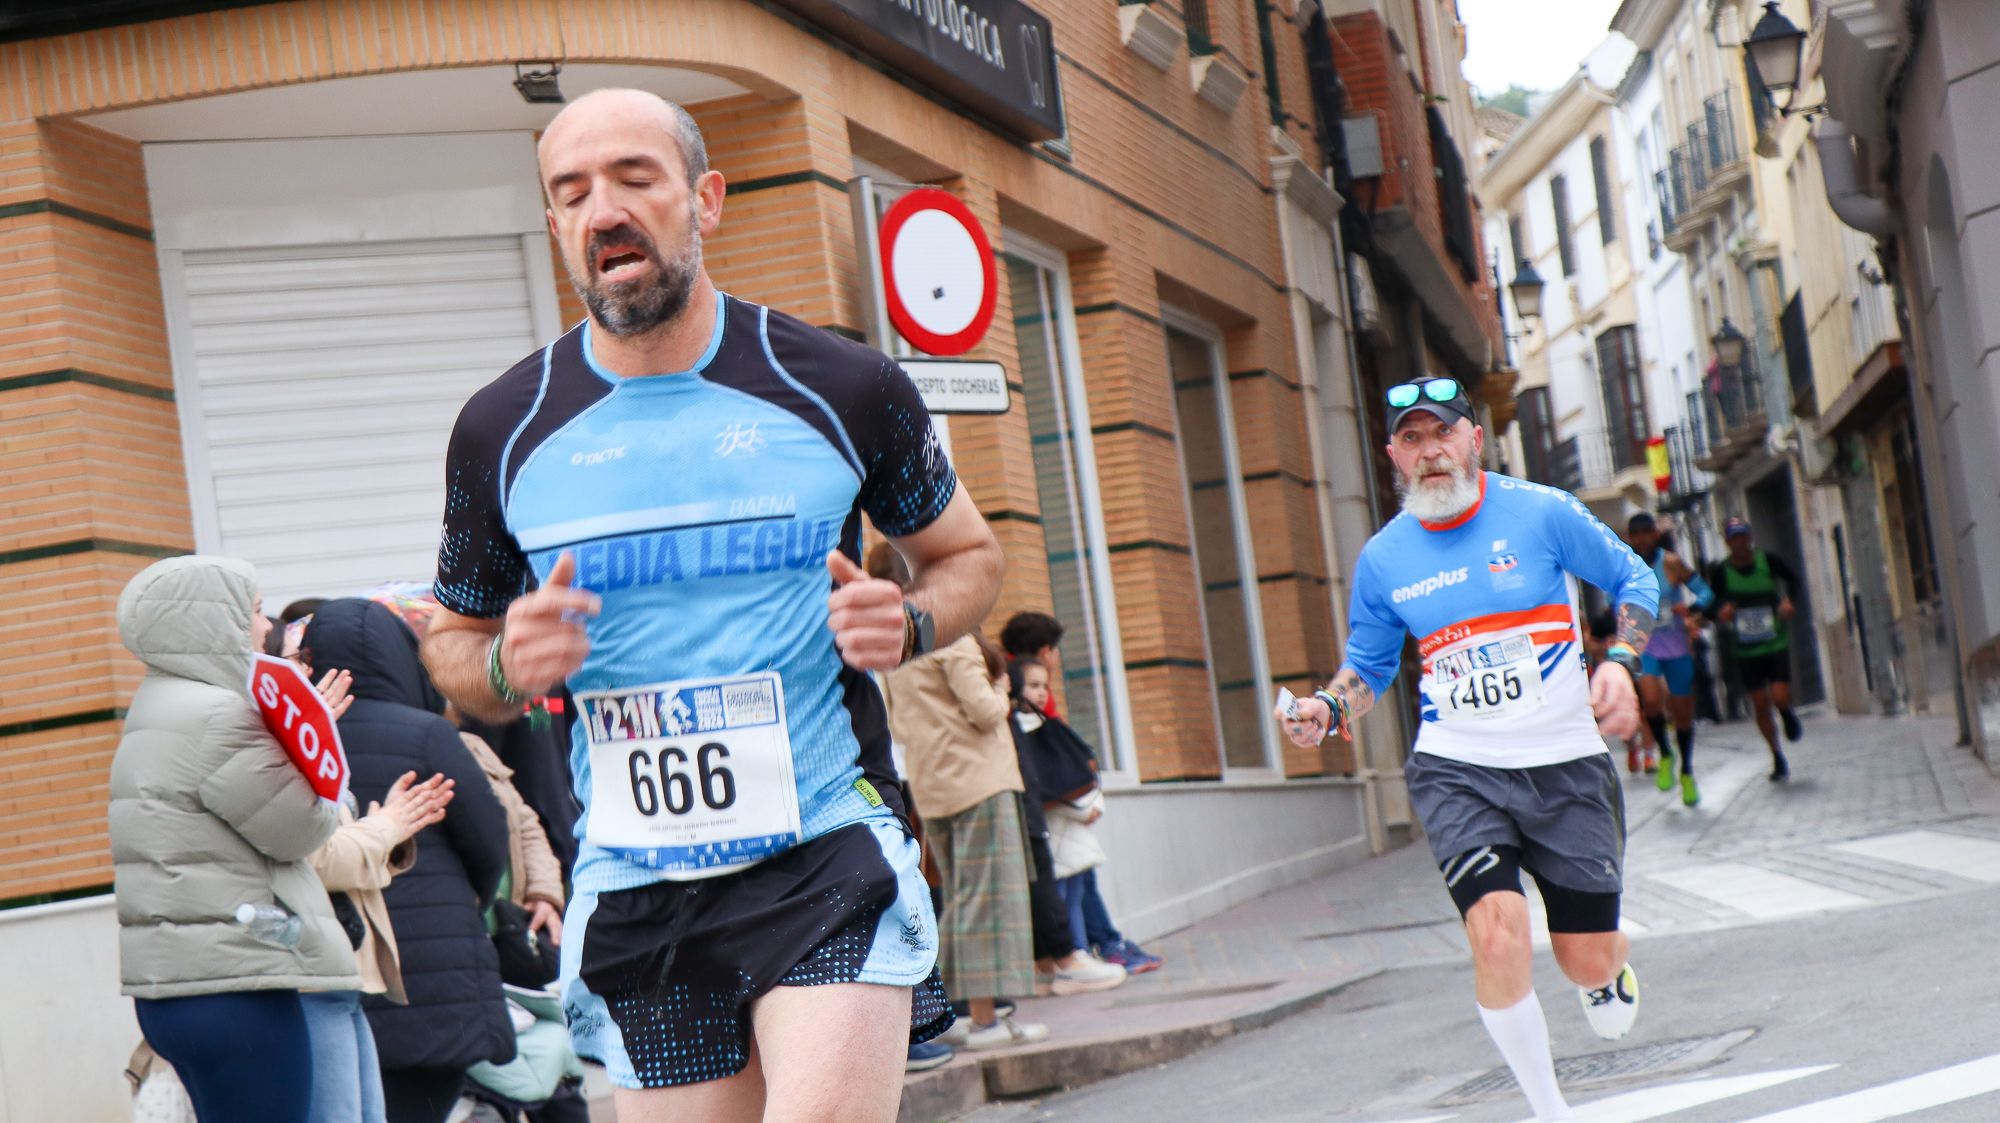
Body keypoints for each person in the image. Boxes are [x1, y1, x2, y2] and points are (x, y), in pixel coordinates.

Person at [417, 87, 1005, 1121]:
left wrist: (906, 621)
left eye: (634, 179)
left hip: (821, 847)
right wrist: (506, 665)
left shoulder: (838, 385)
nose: (604, 210)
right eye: (573, 192)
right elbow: (453, 648)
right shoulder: (500, 428)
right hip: (639, 886)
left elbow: (966, 556)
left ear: (705, 198)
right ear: (556, 226)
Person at [1273, 376, 1657, 1123]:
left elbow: (1632, 577)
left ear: (1473, 438)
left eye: (1442, 433)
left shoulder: (1541, 511)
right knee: (1496, 927)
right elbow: (1371, 665)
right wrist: (1326, 706)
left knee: (1585, 956)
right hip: (1459, 769)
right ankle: (1551, 1109)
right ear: (1393, 455)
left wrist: (1620, 660)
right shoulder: (1385, 559)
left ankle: (1606, 970)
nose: (1430, 452)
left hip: (1565, 763)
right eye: (1412, 439)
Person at [108, 556, 361, 1123]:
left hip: (171, 990)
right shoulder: (219, 715)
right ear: (208, 619)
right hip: (236, 988)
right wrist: (318, 764)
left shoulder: (154, 706)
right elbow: (298, 830)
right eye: (250, 610)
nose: (265, 628)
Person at [303, 599, 517, 1123]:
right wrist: (473, 903)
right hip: (434, 977)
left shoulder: (294, 741)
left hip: (331, 963)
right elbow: (490, 844)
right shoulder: (426, 734)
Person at [998, 613, 1162, 971]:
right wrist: (1082, 801)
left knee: (1079, 880)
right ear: (1045, 651)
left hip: (1066, 813)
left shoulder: (1024, 690)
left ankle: (1102, 943)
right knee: (1071, 886)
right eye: (1054, 651)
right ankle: (1091, 949)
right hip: (1056, 815)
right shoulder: (1027, 703)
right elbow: (1054, 768)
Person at [305, 771, 456, 1123]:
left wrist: (387, 828)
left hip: (338, 975)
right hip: (310, 978)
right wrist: (386, 827)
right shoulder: (270, 739)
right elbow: (315, 860)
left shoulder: (300, 738)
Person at [1705, 516, 1806, 780]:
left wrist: (1788, 602)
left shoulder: (1768, 561)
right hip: (1745, 648)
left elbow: (1794, 580)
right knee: (1760, 703)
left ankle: (1786, 713)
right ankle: (1777, 756)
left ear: (1749, 538)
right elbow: (1709, 605)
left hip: (1774, 641)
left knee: (1780, 695)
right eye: (1734, 538)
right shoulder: (1721, 572)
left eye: (1743, 536)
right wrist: (1720, 613)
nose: (1739, 543)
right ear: (1727, 542)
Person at [1625, 513, 1714, 806]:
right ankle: (1665, 753)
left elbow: (1705, 592)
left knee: (1683, 711)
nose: (1640, 540)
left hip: (1676, 646)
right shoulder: (1625, 565)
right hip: (1646, 645)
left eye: (1645, 533)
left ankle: (1687, 770)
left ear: (1654, 534)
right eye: (1634, 534)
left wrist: (1693, 611)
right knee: (1650, 700)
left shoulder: (1672, 563)